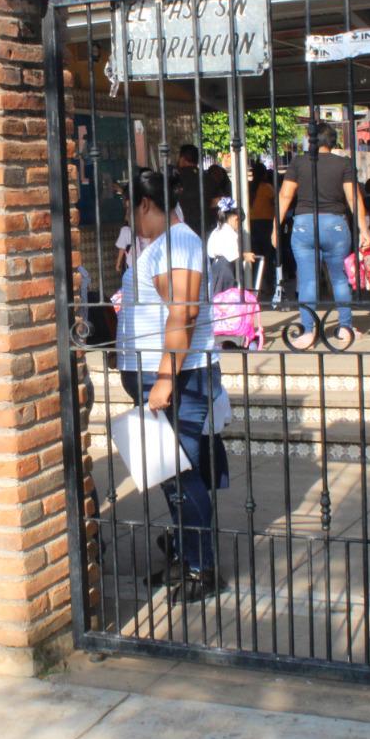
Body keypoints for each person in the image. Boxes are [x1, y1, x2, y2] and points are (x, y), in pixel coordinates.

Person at [116, 169, 228, 602]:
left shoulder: (178, 241)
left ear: (145, 205)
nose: (131, 218)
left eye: (131, 208)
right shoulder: (165, 245)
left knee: (180, 476)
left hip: (177, 377)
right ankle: (184, 556)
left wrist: (164, 377)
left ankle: (202, 568)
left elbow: (183, 313)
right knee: (173, 473)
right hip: (164, 375)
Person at [274, 123, 370, 348]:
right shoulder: (343, 164)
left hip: (303, 225)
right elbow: (353, 198)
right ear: (333, 141)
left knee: (307, 280)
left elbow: (285, 195)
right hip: (335, 224)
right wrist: (363, 229)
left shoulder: (299, 162)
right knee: (339, 279)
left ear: (311, 140)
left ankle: (307, 332)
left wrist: (275, 226)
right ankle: (344, 329)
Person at [176, 143, 229, 238]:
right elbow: (221, 202)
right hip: (205, 229)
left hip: (181, 231)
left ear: (182, 159)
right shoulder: (208, 179)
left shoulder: (175, 180)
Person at [206, 197, 255, 296]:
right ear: (235, 218)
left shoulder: (217, 230)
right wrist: (245, 256)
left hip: (215, 266)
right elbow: (232, 255)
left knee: (216, 295)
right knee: (225, 297)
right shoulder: (229, 233)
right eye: (239, 222)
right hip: (224, 269)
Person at [248, 164, 277, 296]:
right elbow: (276, 203)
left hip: (251, 224)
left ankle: (254, 285)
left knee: (254, 256)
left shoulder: (248, 187)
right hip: (266, 224)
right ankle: (269, 286)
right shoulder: (267, 188)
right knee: (268, 256)